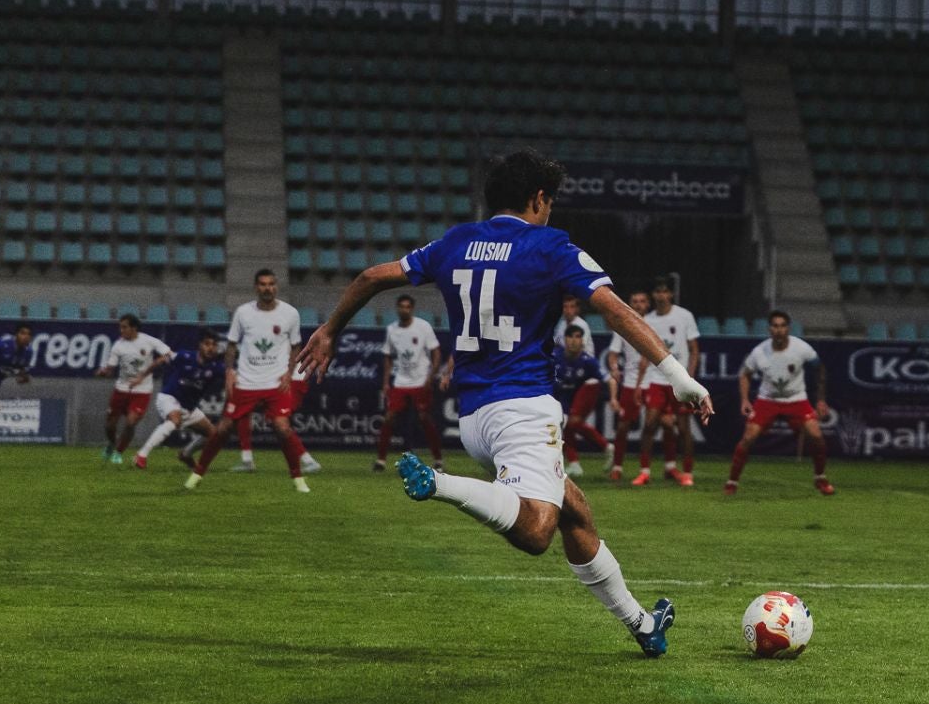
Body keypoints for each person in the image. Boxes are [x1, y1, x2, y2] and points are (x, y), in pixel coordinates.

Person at [294, 148, 714, 657]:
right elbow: (619, 313)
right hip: (523, 410)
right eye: (550, 202)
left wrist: (330, 329)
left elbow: (370, 277)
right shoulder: (550, 246)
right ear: (538, 199)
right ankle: (440, 483)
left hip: (473, 417)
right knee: (539, 529)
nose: (551, 212)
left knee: (574, 512)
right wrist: (677, 376)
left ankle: (643, 625)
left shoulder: (455, 242)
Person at [183, 269, 320, 492]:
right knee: (223, 429)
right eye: (263, 284)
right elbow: (231, 345)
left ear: (276, 286)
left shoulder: (290, 314)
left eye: (271, 284)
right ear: (256, 287)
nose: (268, 288)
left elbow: (296, 346)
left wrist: (289, 372)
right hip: (246, 381)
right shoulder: (243, 313)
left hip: (275, 383)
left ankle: (298, 479)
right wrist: (229, 371)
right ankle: (197, 474)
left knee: (283, 428)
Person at [727, 310, 833, 496]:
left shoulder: (801, 348)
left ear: (788, 328)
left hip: (796, 399)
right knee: (748, 438)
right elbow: (745, 374)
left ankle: (820, 478)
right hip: (768, 400)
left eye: (782, 326)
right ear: (769, 329)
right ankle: (732, 482)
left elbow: (820, 368)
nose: (779, 330)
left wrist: (821, 399)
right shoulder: (759, 351)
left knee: (816, 436)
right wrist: (744, 399)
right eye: (775, 326)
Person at [635, 277, 700, 487]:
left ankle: (687, 472)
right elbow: (646, 354)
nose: (661, 296)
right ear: (653, 295)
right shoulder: (649, 320)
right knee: (649, 424)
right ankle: (644, 471)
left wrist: (689, 378)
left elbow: (694, 350)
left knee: (683, 428)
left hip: (678, 380)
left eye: (665, 292)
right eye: (658, 292)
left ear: (670, 294)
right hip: (656, 380)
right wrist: (639, 384)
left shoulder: (684, 316)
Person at [131, 330, 226, 470]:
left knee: (213, 435)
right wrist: (141, 377)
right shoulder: (185, 356)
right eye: (207, 344)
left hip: (189, 408)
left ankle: (186, 454)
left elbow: (232, 377)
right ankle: (141, 455)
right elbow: (162, 359)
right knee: (174, 420)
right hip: (169, 398)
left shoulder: (216, 367)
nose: (210, 348)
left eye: (214, 345)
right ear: (200, 345)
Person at [374, 293, 443, 473]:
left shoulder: (423, 327)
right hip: (401, 381)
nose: (404, 309)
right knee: (389, 417)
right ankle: (381, 460)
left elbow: (436, 353)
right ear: (397, 308)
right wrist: (386, 381)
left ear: (412, 309)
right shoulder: (392, 330)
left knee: (424, 418)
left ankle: (438, 459)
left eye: (407, 306)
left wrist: (431, 376)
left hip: (421, 379)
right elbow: (387, 356)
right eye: (401, 306)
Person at [95, 314, 171, 466]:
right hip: (121, 389)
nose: (121, 330)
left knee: (131, 422)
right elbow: (110, 369)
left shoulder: (149, 341)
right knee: (109, 426)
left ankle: (118, 452)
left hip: (142, 391)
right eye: (120, 327)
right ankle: (112, 444)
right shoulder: (118, 345)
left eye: (124, 327)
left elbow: (167, 354)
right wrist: (103, 372)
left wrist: (162, 360)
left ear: (134, 328)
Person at [601, 288, 650, 481]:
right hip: (630, 382)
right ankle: (618, 467)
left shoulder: (656, 324)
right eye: (635, 301)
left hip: (653, 381)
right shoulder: (623, 324)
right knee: (623, 426)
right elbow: (613, 353)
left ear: (648, 304)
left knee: (658, 425)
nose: (638, 305)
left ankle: (650, 469)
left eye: (642, 301)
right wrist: (614, 367)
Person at [553, 323, 609, 479]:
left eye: (577, 337)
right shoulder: (555, 356)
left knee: (569, 424)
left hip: (579, 397)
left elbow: (605, 380)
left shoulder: (588, 361)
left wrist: (613, 399)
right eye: (570, 336)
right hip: (560, 397)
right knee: (564, 427)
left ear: (583, 341)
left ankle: (605, 446)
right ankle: (574, 463)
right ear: (564, 339)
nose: (573, 341)